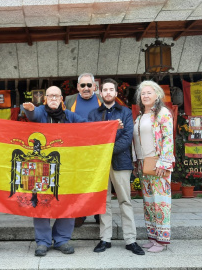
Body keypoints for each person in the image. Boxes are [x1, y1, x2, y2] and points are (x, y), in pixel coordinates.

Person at [23, 86, 86, 257]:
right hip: (41, 169)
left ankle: (62, 240)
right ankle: (42, 242)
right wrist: (29, 110)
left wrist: (110, 127)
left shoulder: (70, 117)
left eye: (56, 96)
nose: (52, 98)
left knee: (67, 202)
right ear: (45, 99)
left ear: (61, 98)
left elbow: (89, 128)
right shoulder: (40, 113)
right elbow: (33, 115)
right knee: (41, 202)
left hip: (66, 168)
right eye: (49, 95)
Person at [88, 79, 145, 255]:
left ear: (115, 92)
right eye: (105, 90)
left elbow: (127, 137)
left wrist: (106, 148)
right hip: (101, 165)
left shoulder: (125, 112)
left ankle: (130, 239)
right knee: (103, 202)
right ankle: (105, 239)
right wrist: (105, 144)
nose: (108, 92)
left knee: (125, 200)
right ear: (100, 92)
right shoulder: (94, 114)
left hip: (121, 161)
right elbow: (92, 138)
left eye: (111, 89)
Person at [133, 80, 174, 253]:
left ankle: (162, 241)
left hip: (158, 163)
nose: (146, 95)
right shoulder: (141, 116)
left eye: (149, 92)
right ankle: (153, 237)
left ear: (157, 95)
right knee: (149, 202)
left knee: (160, 202)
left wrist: (164, 162)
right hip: (144, 163)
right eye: (143, 93)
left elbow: (168, 138)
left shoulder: (163, 113)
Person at [64, 73, 103, 227]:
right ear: (78, 87)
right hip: (76, 150)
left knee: (98, 182)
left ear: (95, 86)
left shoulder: (102, 99)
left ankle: (99, 214)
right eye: (82, 85)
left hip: (97, 149)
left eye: (89, 85)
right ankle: (80, 214)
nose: (86, 88)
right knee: (78, 183)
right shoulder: (69, 100)